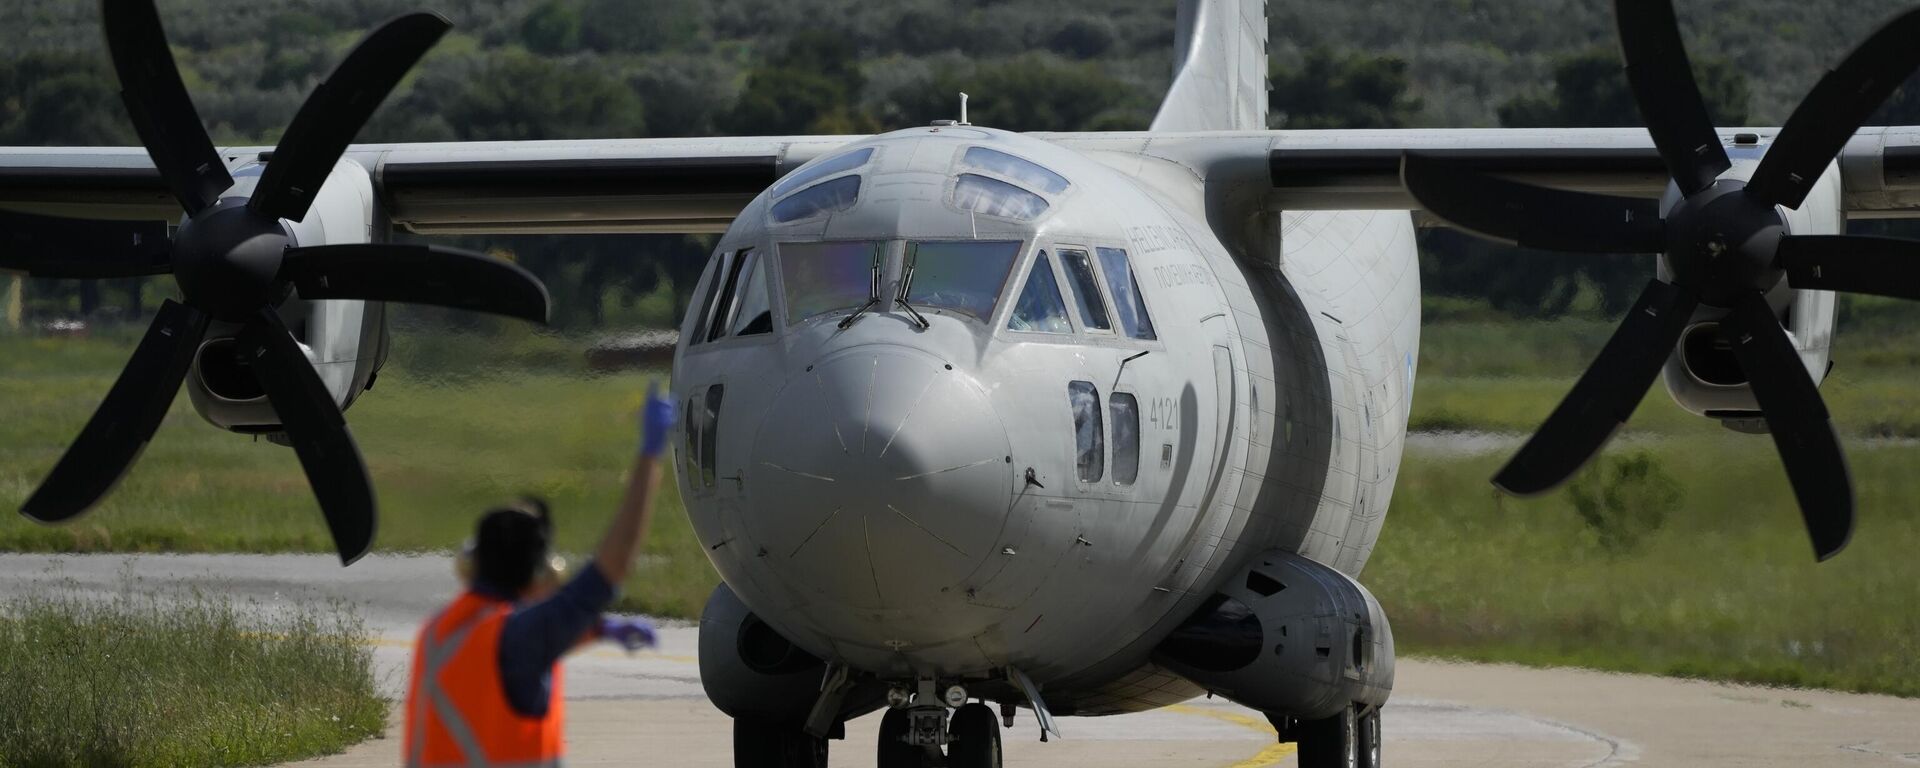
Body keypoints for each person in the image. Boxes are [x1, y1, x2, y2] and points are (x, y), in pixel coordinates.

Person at [403, 382, 677, 767]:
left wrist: (598, 629)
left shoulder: (441, 632)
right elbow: (611, 567)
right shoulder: (516, 638)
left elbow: (508, 652)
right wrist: (650, 458)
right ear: (539, 575)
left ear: (473, 562)